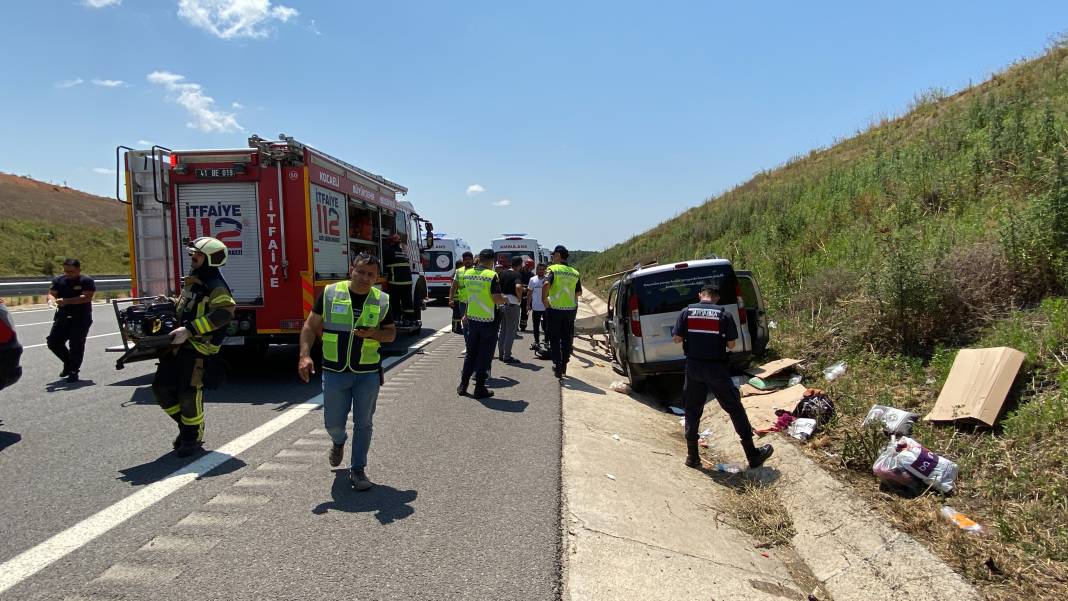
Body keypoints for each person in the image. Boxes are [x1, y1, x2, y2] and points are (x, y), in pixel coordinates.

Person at [298, 253, 397, 491]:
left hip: (367, 373)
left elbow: (391, 334)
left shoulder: (382, 300)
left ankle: (358, 469)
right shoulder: (331, 293)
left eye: (370, 274)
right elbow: (310, 326)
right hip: (335, 371)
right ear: (351, 269)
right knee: (333, 422)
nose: (364, 278)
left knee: (364, 422)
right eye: (360, 272)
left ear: (376, 278)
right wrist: (304, 355)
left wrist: (374, 334)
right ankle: (338, 441)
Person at [672, 283, 773, 470]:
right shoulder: (724, 315)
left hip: (693, 367)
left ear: (700, 295)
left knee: (692, 410)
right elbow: (732, 344)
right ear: (717, 297)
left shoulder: (686, 312)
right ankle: (752, 454)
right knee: (734, 408)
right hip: (716, 369)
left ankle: (692, 456)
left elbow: (677, 339)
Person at [153, 238, 235, 457]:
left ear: (209, 258)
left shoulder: (216, 285)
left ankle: (192, 437)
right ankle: (187, 428)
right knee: (161, 389)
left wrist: (189, 330)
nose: (192, 258)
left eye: (196, 255)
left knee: (188, 392)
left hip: (198, 347)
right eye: (192, 255)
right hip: (178, 346)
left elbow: (224, 312)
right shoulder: (194, 280)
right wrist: (169, 303)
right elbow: (188, 306)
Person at [457, 249, 507, 399]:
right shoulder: (492, 275)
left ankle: (463, 385)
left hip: (472, 319)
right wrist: (507, 300)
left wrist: (465, 314)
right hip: (488, 321)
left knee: (471, 354)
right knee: (485, 355)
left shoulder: (467, 273)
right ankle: (479, 388)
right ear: (491, 261)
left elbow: (466, 298)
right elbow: (496, 298)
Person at [46, 258, 96, 383]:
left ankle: (73, 371)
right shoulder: (59, 280)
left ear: (78, 270)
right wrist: (51, 300)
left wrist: (66, 301)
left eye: (71, 271)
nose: (68, 274)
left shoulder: (86, 281)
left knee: (76, 345)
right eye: (66, 271)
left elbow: (86, 297)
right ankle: (69, 363)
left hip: (81, 318)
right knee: (53, 342)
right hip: (62, 316)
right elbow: (52, 293)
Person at [541, 245, 582, 378]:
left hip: (555, 309)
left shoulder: (553, 269)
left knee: (554, 338)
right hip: (570, 310)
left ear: (558, 255)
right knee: (566, 338)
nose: (552, 257)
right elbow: (579, 292)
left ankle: (558, 365)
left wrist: (544, 300)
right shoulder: (575, 272)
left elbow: (546, 284)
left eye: (554, 255)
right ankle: (564, 363)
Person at [383, 233, 414, 326]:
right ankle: (409, 319)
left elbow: (385, 263)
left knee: (395, 301)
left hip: (395, 281)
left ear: (391, 242)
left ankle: (397, 319)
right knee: (407, 301)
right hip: (408, 281)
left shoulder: (388, 251)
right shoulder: (404, 251)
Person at [497, 256, 523, 363]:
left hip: (502, 303)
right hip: (512, 304)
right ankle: (507, 356)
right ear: (520, 264)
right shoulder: (517, 275)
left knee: (502, 330)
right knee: (510, 332)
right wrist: (519, 298)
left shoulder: (502, 273)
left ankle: (501, 354)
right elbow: (518, 287)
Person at [448, 251, 474, 336]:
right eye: (465, 259)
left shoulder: (477, 270)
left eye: (469, 259)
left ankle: (473, 345)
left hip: (475, 303)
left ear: (472, 260)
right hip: (462, 302)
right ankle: (468, 346)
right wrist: (451, 299)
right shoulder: (458, 271)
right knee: (465, 325)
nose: (467, 261)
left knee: (474, 325)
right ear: (463, 261)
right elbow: (453, 287)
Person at [526, 263, 548, 350]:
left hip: (546, 307)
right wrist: (528, 304)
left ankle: (546, 341)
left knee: (547, 326)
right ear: (536, 270)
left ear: (545, 270)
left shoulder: (548, 279)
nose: (541, 271)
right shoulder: (532, 279)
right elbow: (529, 293)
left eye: (543, 269)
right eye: (539, 269)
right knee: (536, 325)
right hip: (536, 307)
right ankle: (536, 341)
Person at [518, 257, 535, 331]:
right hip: (518, 295)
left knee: (525, 312)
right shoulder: (518, 273)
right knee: (515, 312)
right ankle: (515, 326)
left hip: (526, 296)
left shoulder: (532, 275)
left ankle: (523, 326)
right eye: (529, 267)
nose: (530, 269)